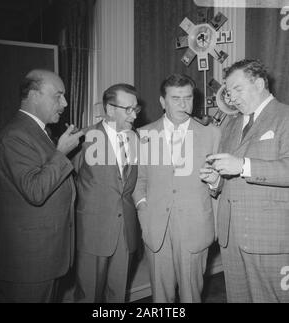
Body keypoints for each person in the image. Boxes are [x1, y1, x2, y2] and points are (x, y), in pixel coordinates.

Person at [200, 59, 289, 302]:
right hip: (232, 237)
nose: (231, 97)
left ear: (259, 84)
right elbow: (231, 176)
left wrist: (243, 166)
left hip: (269, 238)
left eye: (237, 89)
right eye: (228, 92)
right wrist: (215, 180)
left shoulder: (285, 116)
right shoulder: (231, 124)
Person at [0, 69, 83, 302]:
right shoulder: (15, 135)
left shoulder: (38, 132)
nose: (64, 103)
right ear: (33, 95)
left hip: (44, 257)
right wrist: (62, 153)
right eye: (58, 95)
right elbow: (35, 190)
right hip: (28, 262)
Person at [133, 73, 221, 302]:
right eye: (175, 98)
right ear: (163, 101)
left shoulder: (212, 134)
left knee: (191, 294)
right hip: (156, 226)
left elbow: (222, 183)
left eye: (188, 98)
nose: (183, 104)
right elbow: (138, 179)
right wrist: (143, 209)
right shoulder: (143, 135)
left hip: (194, 226)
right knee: (160, 296)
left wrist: (215, 182)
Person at [74, 83, 141, 303]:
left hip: (125, 231)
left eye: (136, 109)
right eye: (128, 109)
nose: (134, 115)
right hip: (93, 231)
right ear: (110, 110)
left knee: (117, 295)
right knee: (89, 295)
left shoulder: (136, 139)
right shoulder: (83, 139)